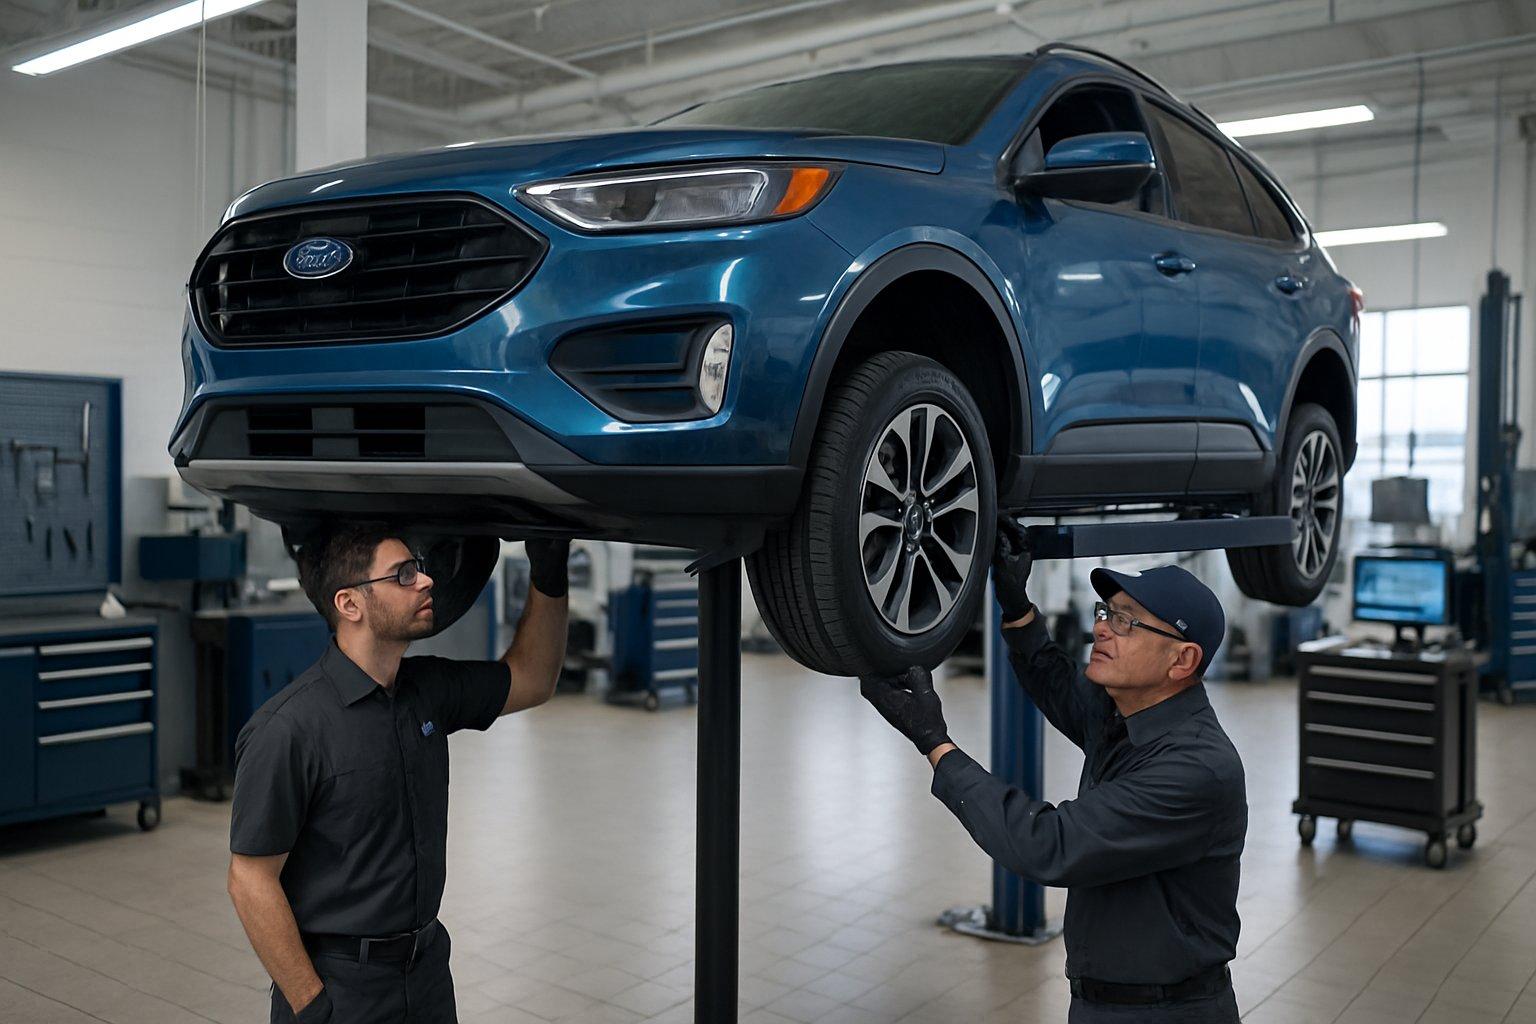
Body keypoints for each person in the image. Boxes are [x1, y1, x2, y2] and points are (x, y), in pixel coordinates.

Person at [861, 517, 1247, 1023]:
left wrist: (936, 743)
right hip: (1102, 1002)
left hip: (1166, 1012)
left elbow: (1048, 844)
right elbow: (1056, 682)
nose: (1101, 627)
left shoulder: (1195, 770)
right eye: (1106, 612)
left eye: (1127, 622)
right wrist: (1015, 603)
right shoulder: (1126, 714)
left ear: (1182, 660)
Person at [225, 525, 571, 1024]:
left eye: (419, 569)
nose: (426, 581)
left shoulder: (426, 690)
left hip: (427, 972)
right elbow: (250, 880)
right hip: (342, 987)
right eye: (403, 574)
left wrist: (549, 575)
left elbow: (533, 679)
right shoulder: (288, 729)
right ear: (350, 604)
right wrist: (313, 1006)